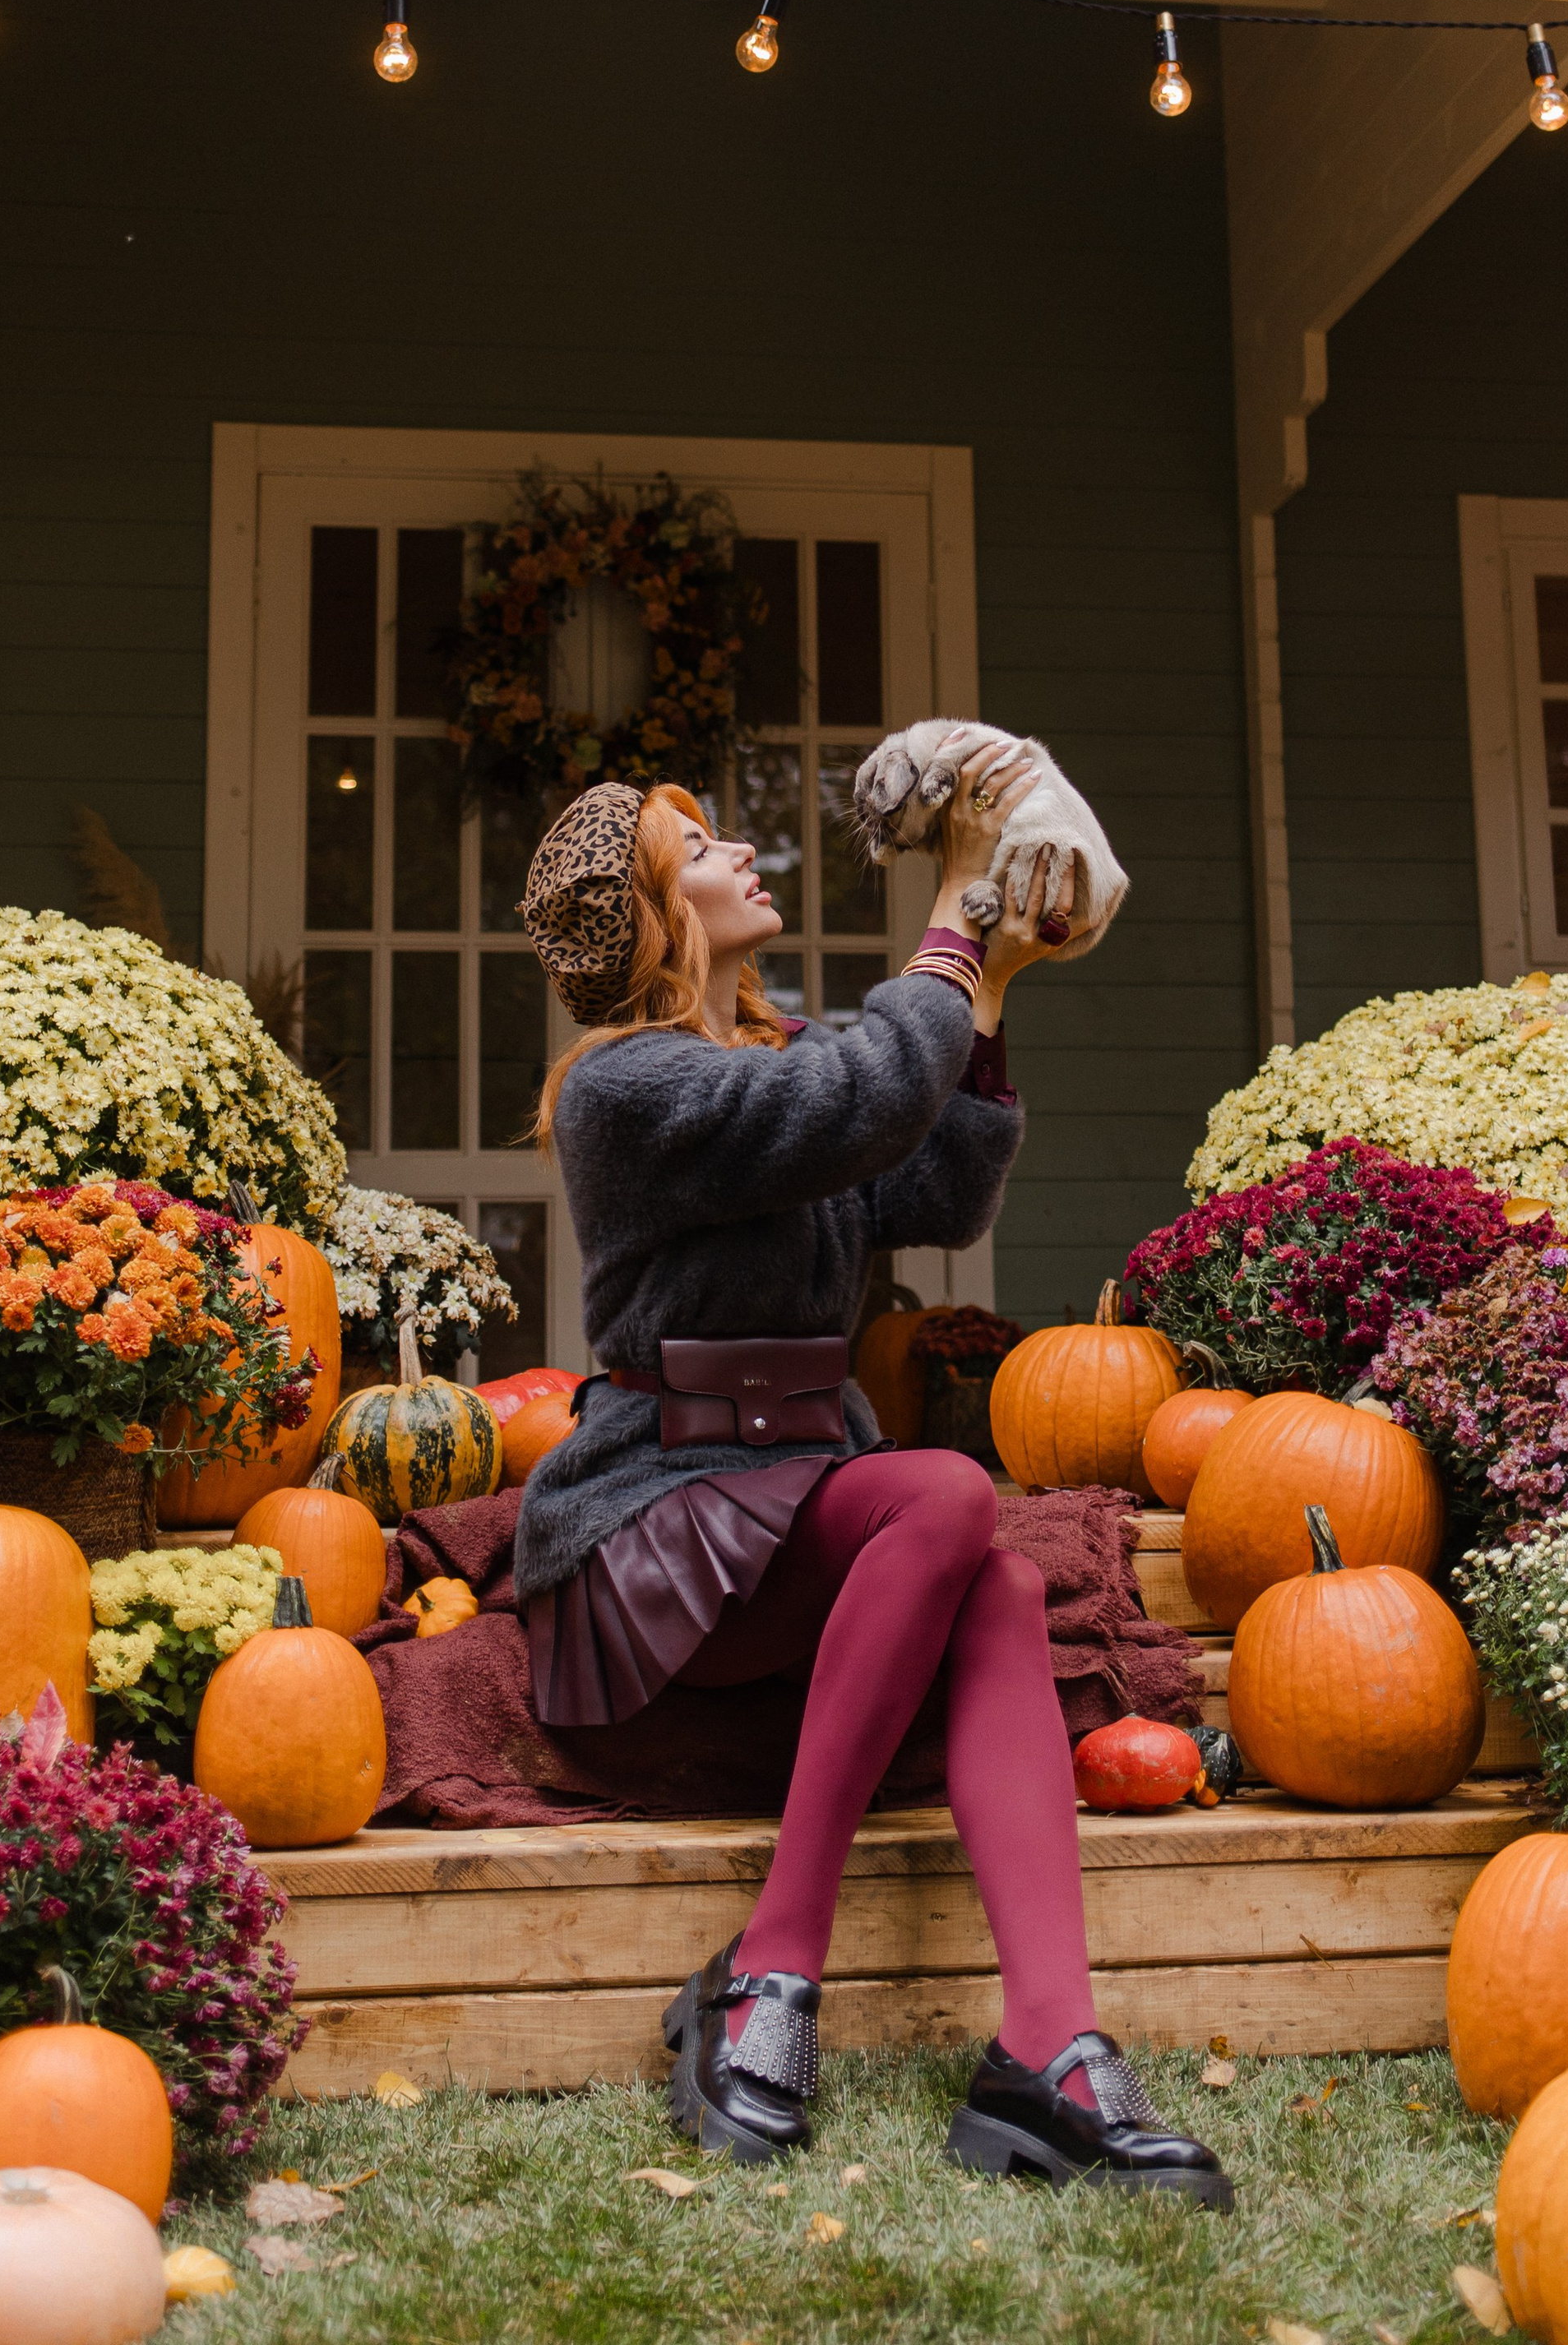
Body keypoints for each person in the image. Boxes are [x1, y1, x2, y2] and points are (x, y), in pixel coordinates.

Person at [513, 747, 1232, 2207]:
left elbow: (936, 1186)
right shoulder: (625, 1087)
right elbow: (866, 1098)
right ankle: (777, 1954)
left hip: (803, 1517)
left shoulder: (786, 1068)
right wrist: (960, 908)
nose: (744, 855)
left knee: (1001, 1582)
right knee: (951, 1497)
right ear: (656, 909)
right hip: (662, 1526)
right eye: (704, 846)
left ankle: (1050, 2042)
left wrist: (1000, 988)